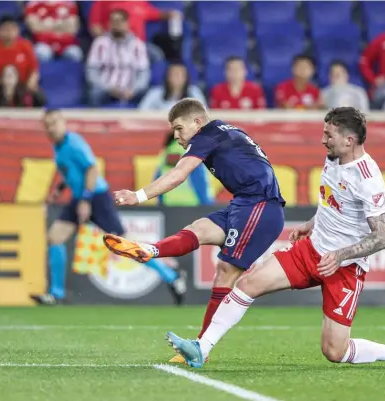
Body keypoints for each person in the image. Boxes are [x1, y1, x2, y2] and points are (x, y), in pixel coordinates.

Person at [166, 107, 385, 370]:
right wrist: (311, 224)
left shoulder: (368, 179)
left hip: (345, 267)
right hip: (311, 250)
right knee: (248, 282)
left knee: (334, 350)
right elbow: (333, 202)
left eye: (328, 135)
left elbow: (382, 236)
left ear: (349, 140)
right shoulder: (333, 158)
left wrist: (340, 255)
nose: (323, 140)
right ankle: (201, 348)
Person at [102, 98, 286, 363]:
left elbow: (179, 174)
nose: (176, 135)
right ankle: (149, 250)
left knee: (226, 272)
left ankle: (201, 349)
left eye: (179, 128)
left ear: (197, 122)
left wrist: (138, 195)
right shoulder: (226, 130)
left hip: (260, 206)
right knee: (198, 229)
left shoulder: (206, 135)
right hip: (243, 203)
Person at [30, 109, 187, 306]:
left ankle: (171, 276)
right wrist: (61, 188)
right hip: (80, 198)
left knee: (124, 245)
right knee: (55, 238)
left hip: (95, 198)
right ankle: (56, 294)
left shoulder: (73, 143)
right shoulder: (58, 147)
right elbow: (72, 170)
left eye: (54, 122)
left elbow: (92, 169)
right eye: (47, 124)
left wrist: (86, 200)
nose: (51, 127)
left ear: (63, 122)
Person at [86, 9, 150, 107]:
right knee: (94, 93)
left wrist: (133, 90)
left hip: (131, 90)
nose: (117, 25)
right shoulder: (100, 43)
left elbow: (144, 73)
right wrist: (108, 88)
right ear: (109, 24)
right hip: (106, 89)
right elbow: (92, 71)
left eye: (120, 21)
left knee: (149, 93)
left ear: (127, 23)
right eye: (114, 21)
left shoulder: (138, 45)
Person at [0, 15, 40, 103]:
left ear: (18, 31)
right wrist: (0, 84)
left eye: (12, 29)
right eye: (5, 29)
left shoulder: (26, 46)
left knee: (38, 95)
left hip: (21, 85)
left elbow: (34, 70)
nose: (8, 32)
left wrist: (30, 83)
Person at [154, 131, 214, 206]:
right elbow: (199, 181)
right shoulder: (192, 153)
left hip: (169, 205)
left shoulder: (165, 153)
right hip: (191, 205)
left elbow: (157, 180)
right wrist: (207, 205)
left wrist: (161, 204)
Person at [139, 62, 206, 110]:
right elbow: (141, 112)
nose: (177, 77)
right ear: (167, 77)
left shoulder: (194, 92)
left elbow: (205, 114)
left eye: (181, 74)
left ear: (186, 78)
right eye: (174, 74)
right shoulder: (155, 93)